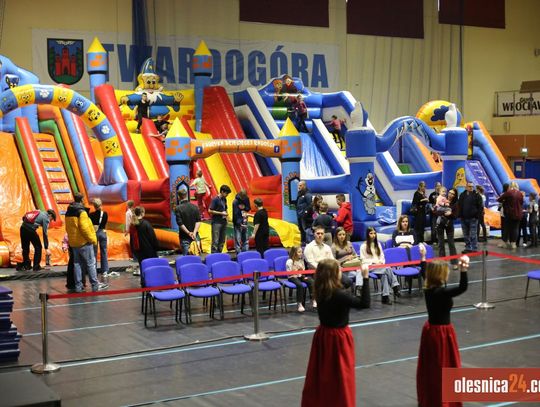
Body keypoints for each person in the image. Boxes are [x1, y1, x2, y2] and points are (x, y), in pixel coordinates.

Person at [301, 258, 370, 407]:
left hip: (323, 335)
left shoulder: (320, 289)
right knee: (341, 376)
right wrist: (365, 277)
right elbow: (364, 303)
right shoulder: (339, 295)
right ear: (334, 274)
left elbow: (346, 283)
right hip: (338, 338)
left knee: (322, 373)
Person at [416, 247, 470, 407]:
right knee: (444, 366)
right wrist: (463, 269)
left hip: (430, 331)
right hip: (442, 334)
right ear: (440, 274)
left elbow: (424, 272)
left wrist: (423, 257)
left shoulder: (428, 289)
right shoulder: (441, 292)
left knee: (431, 367)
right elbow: (462, 287)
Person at [65, 193, 103, 293]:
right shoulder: (82, 212)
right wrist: (93, 239)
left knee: (77, 264)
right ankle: (95, 285)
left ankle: (78, 286)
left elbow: (68, 228)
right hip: (84, 242)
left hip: (74, 243)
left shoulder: (68, 212)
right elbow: (85, 229)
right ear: (82, 200)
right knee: (90, 264)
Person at [360, 227, 401, 304]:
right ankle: (395, 286)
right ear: (367, 234)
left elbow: (382, 256)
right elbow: (363, 260)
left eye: (374, 233)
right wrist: (374, 263)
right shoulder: (363, 246)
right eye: (371, 233)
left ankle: (385, 297)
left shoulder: (378, 244)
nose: (373, 235)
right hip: (369, 267)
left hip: (380, 267)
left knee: (384, 274)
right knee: (387, 268)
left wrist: (381, 262)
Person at [131, 206, 159, 277]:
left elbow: (131, 239)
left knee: (143, 269)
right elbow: (152, 237)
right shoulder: (146, 224)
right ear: (142, 213)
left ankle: (143, 282)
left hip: (139, 251)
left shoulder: (133, 225)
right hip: (149, 251)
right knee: (151, 269)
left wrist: (134, 251)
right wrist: (156, 248)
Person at [332, 227, 361, 293]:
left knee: (361, 271)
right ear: (336, 236)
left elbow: (355, 255)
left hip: (352, 265)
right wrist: (345, 259)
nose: (342, 236)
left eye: (343, 234)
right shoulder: (333, 246)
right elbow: (333, 263)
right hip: (343, 269)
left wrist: (352, 257)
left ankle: (358, 289)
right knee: (358, 275)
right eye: (340, 235)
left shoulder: (349, 243)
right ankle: (358, 290)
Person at [435, 187, 459, 269]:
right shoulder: (442, 199)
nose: (451, 195)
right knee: (440, 243)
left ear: (455, 195)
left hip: (449, 224)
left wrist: (450, 214)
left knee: (451, 243)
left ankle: (454, 262)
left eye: (453, 194)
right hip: (440, 224)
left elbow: (456, 215)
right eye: (450, 193)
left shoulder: (455, 204)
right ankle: (442, 262)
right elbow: (436, 211)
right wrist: (444, 212)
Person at [286, 246, 315, 312]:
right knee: (299, 285)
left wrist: (302, 274)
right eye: (299, 252)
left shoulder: (301, 260)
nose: (301, 253)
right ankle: (300, 304)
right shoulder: (289, 261)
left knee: (311, 281)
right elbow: (289, 273)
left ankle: (314, 300)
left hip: (300, 276)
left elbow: (303, 270)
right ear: (294, 253)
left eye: (301, 252)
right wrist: (297, 270)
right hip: (292, 277)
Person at [458, 181, 483, 253]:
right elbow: (459, 205)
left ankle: (474, 248)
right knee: (465, 235)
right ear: (466, 187)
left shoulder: (477, 195)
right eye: (469, 186)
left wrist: (477, 216)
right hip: (463, 218)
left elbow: (480, 207)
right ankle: (468, 248)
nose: (471, 188)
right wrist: (460, 215)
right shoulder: (462, 195)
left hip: (473, 219)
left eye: (472, 186)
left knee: (473, 234)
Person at [89, 198, 111, 279]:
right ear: (101, 204)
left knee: (93, 253)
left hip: (94, 233)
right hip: (103, 232)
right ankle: (105, 270)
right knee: (104, 251)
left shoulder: (91, 215)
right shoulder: (105, 214)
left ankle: (93, 271)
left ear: (94, 206)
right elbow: (105, 223)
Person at [175, 188, 201, 256]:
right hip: (195, 236)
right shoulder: (195, 207)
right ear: (186, 195)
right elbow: (198, 221)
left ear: (178, 196)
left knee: (187, 258)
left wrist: (188, 233)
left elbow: (180, 223)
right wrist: (194, 233)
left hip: (185, 236)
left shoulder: (178, 208)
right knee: (196, 256)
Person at [497, 182, 523, 250]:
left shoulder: (508, 192)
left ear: (510, 186)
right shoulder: (520, 193)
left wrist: (505, 201)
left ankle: (505, 243)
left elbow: (499, 199)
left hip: (509, 213)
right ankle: (513, 243)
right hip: (518, 213)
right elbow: (521, 202)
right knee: (515, 229)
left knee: (506, 228)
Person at [208, 184, 231, 253]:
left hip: (223, 221)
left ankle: (219, 254)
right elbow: (210, 210)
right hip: (216, 222)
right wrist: (221, 213)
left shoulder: (224, 199)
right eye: (226, 193)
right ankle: (214, 255)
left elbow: (225, 209)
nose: (227, 195)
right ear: (222, 192)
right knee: (215, 240)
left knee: (222, 240)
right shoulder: (215, 199)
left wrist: (227, 217)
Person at [232, 189, 251, 254]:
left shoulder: (246, 199)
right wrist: (239, 223)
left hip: (245, 220)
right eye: (243, 197)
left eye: (244, 197)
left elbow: (248, 208)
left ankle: (246, 253)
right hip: (238, 223)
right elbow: (235, 214)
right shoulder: (235, 201)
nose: (244, 198)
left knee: (245, 238)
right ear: (240, 195)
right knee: (238, 239)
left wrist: (243, 208)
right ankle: (239, 254)